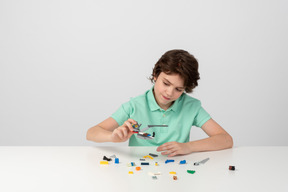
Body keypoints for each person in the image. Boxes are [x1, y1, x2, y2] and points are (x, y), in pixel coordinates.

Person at [86, 49, 233, 157]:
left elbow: (226, 139)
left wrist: (188, 147)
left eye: (178, 89)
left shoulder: (191, 107)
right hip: (138, 171)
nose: (169, 93)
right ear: (156, 75)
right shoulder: (134, 106)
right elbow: (91, 132)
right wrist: (112, 137)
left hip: (176, 172)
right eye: (166, 83)